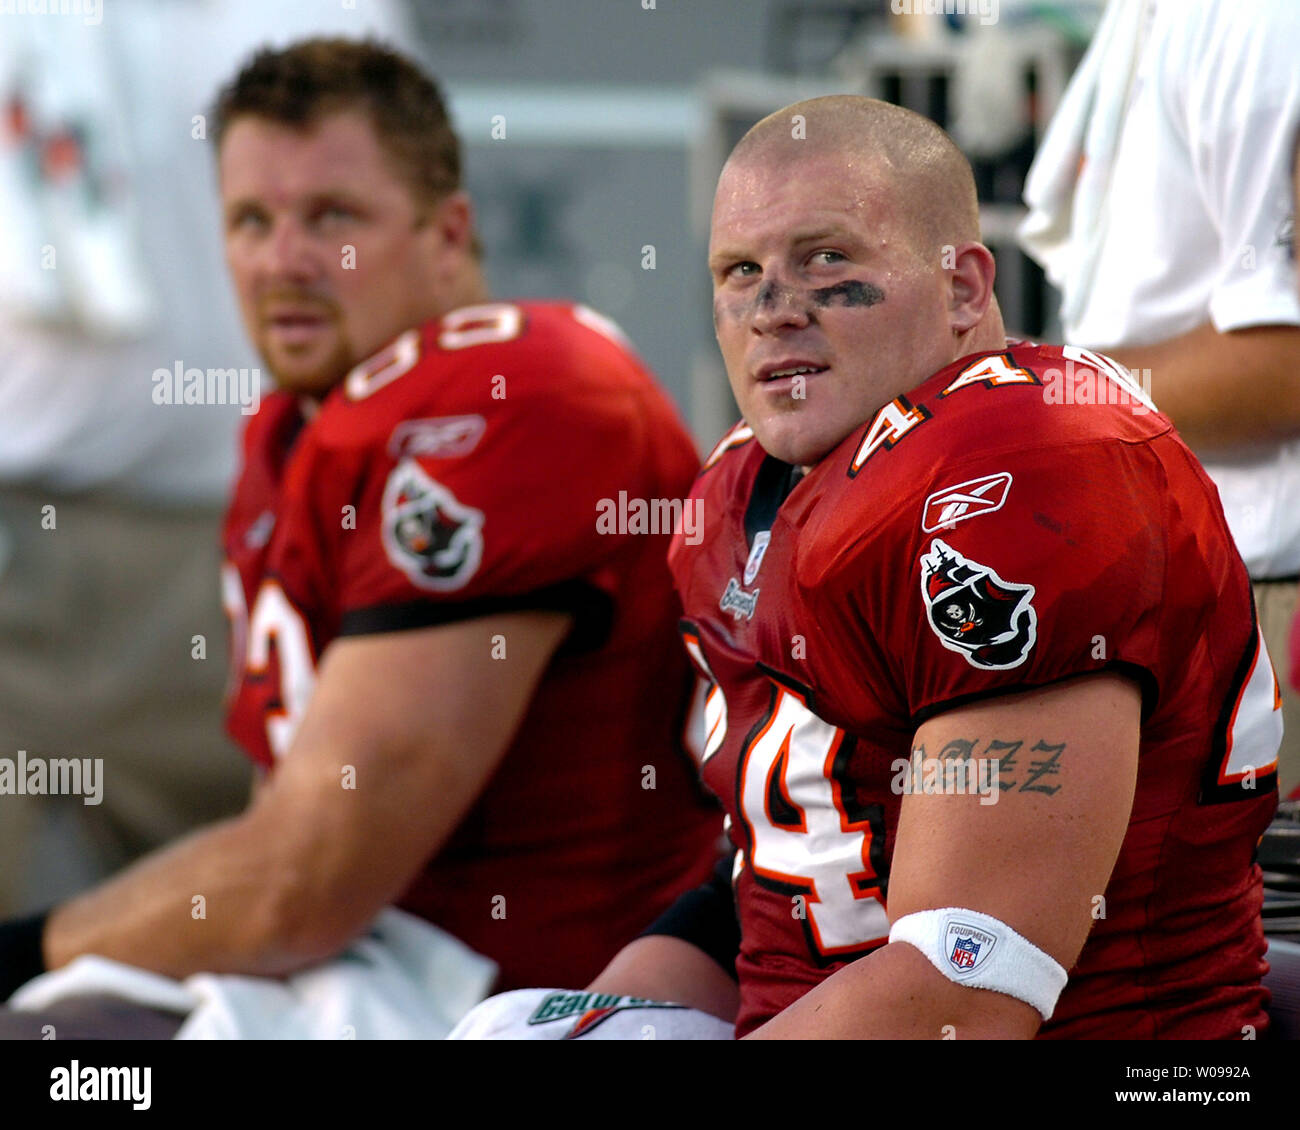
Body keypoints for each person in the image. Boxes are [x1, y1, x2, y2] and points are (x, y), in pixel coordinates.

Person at [469, 94, 1280, 1040]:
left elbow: (969, 988)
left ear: (965, 289)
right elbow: (780, 875)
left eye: (827, 259)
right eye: (740, 272)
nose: (773, 311)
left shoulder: (1024, 470)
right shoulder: (737, 494)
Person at [0, 38, 718, 1035]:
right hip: (382, 969)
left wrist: (24, 948)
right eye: (252, 219)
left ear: (449, 232)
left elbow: (305, 882)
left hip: (540, 995)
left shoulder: (514, 397)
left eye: (333, 217)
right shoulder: (299, 421)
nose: (282, 259)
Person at [1018, 0, 1300, 798]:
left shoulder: (1262, 20)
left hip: (1261, 609)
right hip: (1171, 594)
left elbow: (1288, 363)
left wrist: (1022, 399)